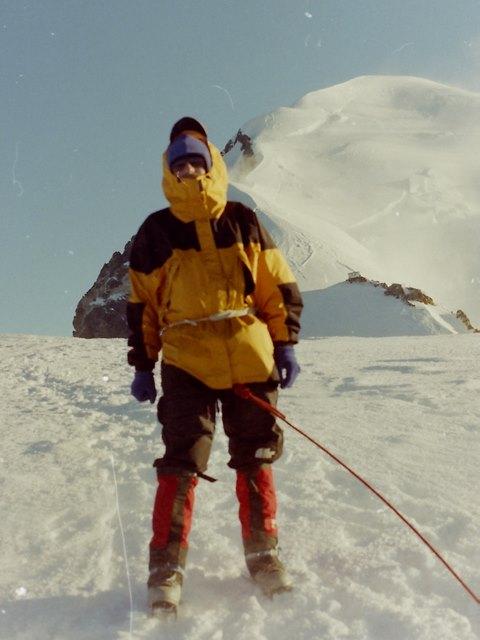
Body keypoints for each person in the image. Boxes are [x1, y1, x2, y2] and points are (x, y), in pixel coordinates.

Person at [127, 117, 303, 613]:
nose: (187, 169)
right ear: (168, 170)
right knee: (181, 462)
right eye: (178, 162)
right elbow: (141, 305)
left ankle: (264, 556)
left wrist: (284, 343)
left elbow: (276, 285)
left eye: (195, 161)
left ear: (211, 166)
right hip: (186, 360)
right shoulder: (156, 231)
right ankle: (166, 566)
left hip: (249, 354)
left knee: (255, 456)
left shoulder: (243, 219)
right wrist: (144, 363)